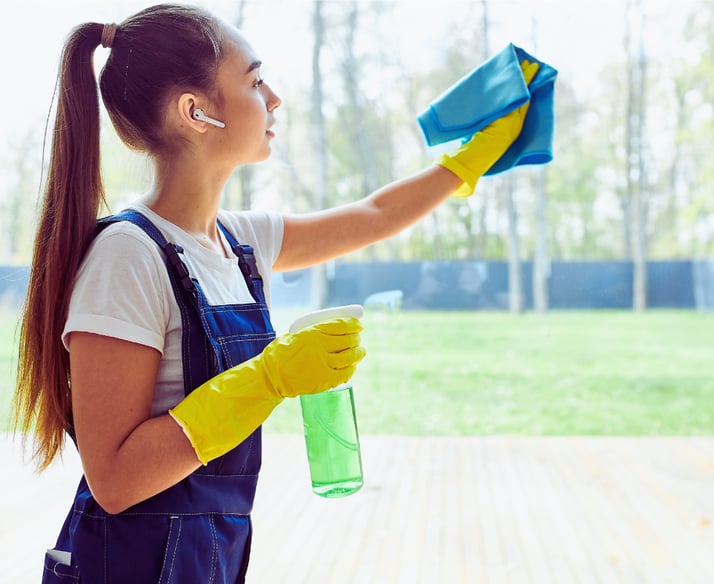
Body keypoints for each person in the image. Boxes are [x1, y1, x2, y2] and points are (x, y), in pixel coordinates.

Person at [12, 3, 538, 583]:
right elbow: (113, 480)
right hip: (128, 565)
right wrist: (269, 378)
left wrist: (468, 161)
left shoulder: (238, 241)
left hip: (212, 557)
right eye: (255, 80)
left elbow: (374, 214)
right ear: (196, 111)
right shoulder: (129, 256)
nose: (275, 98)